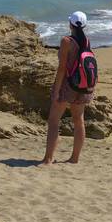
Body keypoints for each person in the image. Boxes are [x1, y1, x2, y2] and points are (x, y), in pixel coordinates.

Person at [41, 11, 94, 165]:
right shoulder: (87, 41)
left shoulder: (66, 41)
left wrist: (56, 90)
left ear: (70, 24)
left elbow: (62, 68)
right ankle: (74, 158)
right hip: (83, 86)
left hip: (67, 86)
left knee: (54, 121)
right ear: (84, 25)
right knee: (79, 121)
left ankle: (48, 159)